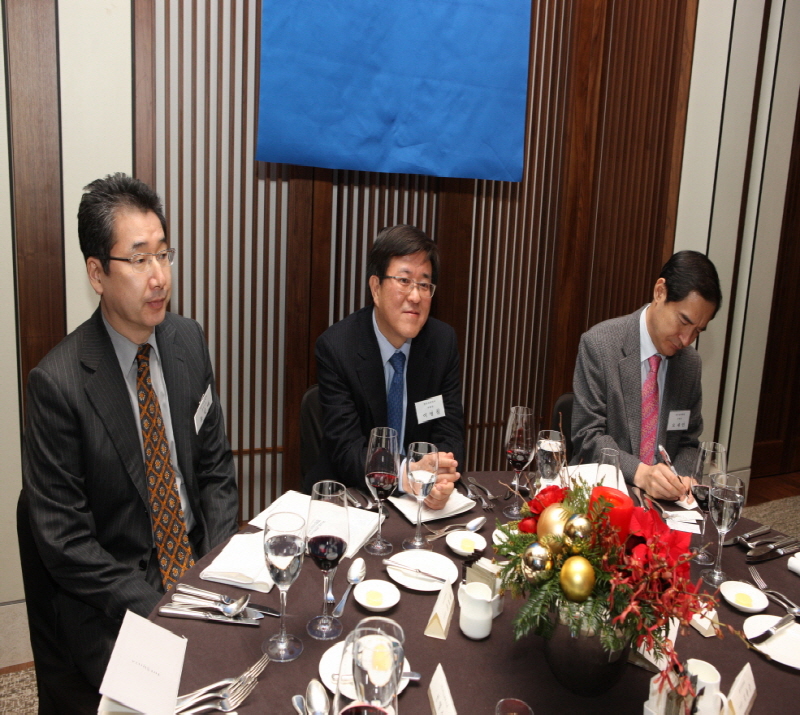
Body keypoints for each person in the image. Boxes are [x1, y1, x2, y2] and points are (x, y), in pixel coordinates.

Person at [20, 173, 238, 713]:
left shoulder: (188, 340)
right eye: (139, 259)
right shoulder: (58, 384)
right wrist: (164, 606)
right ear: (97, 272)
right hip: (114, 604)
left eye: (164, 254)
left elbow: (215, 471)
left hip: (200, 570)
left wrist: (213, 570)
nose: (159, 277)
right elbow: (66, 542)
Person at [306, 225, 465, 509]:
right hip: (353, 497)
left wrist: (439, 478)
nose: (415, 296)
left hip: (419, 503)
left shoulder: (442, 343)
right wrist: (408, 475)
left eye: (424, 284)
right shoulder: (337, 347)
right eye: (404, 280)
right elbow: (347, 449)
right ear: (376, 288)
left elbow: (449, 430)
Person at [571, 250, 722, 500]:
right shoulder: (600, 344)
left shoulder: (689, 364)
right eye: (684, 322)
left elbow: (688, 442)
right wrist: (641, 474)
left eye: (697, 331)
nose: (686, 339)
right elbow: (588, 436)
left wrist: (682, 477)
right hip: (602, 494)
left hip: (663, 503)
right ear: (660, 291)